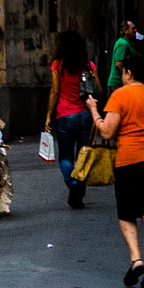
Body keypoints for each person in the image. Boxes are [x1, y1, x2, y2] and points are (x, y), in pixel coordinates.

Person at [84, 54, 144, 288]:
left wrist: (94, 111)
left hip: (129, 161)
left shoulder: (120, 95)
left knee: (127, 215)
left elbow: (107, 132)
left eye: (123, 72)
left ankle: (136, 259)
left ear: (129, 73)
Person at [46, 30, 99, 210]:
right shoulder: (88, 65)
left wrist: (48, 116)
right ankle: (79, 190)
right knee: (83, 155)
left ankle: (72, 183)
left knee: (66, 157)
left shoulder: (58, 65)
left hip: (65, 115)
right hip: (85, 115)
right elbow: (98, 88)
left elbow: (54, 91)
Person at [106, 20, 138, 93]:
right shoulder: (122, 43)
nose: (135, 30)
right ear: (125, 30)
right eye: (133, 28)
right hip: (118, 83)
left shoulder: (129, 43)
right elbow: (119, 64)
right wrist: (127, 78)